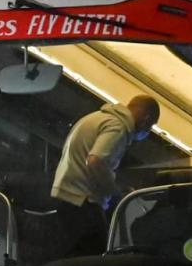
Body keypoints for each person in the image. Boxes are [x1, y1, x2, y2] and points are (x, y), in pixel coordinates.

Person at [48, 94, 160, 257]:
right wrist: (114, 193)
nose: (147, 131)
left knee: (73, 258)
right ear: (146, 119)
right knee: (97, 258)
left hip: (68, 195)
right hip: (82, 200)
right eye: (151, 126)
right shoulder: (118, 127)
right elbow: (96, 160)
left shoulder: (99, 118)